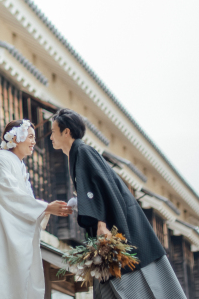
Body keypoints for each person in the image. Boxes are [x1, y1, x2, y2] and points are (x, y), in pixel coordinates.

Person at [49, 108, 187, 299]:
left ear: (66, 132)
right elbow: (92, 190)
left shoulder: (83, 151)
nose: (50, 137)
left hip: (115, 228)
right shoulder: (78, 153)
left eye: (53, 131)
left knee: (132, 284)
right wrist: (76, 202)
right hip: (110, 230)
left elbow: (101, 187)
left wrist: (101, 224)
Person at [0, 119, 71, 299]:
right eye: (30, 137)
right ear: (16, 138)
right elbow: (9, 194)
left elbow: (22, 200)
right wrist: (46, 207)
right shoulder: (2, 162)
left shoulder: (19, 168)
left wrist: (45, 210)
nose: (34, 142)